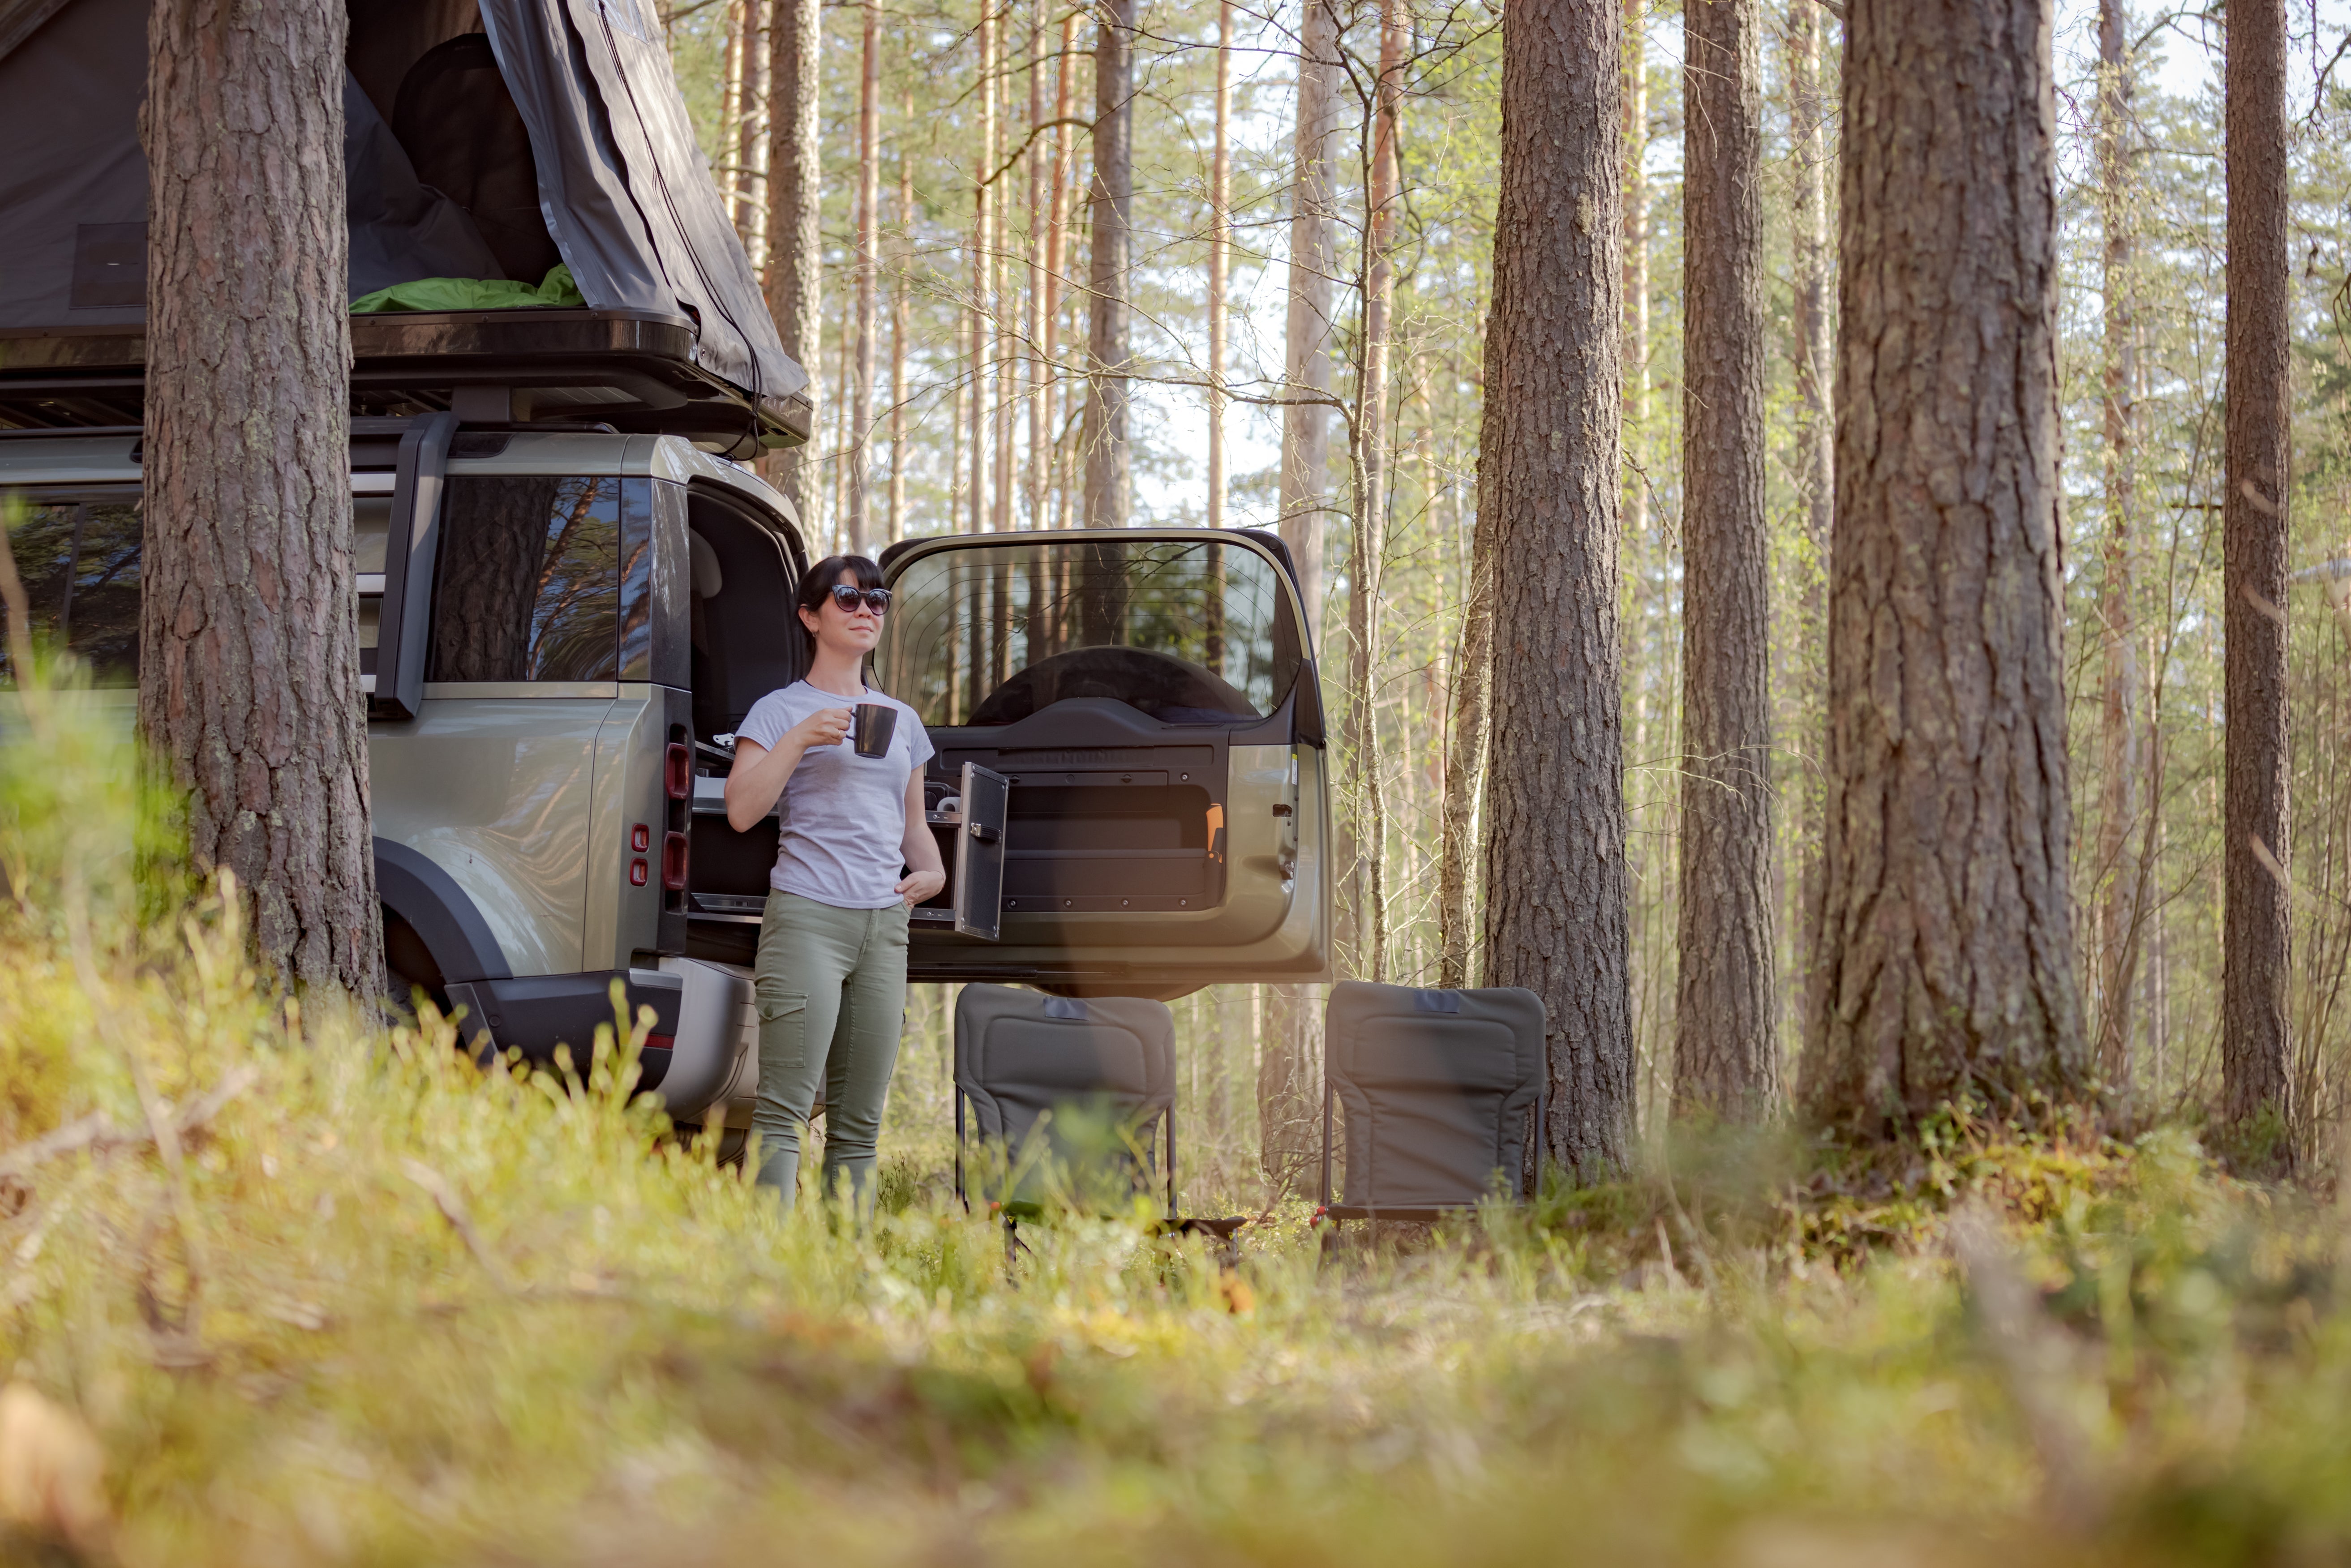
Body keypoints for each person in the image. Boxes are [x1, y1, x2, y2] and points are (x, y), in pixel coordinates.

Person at [725, 555, 946, 1213]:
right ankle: (773, 1276)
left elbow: (912, 826)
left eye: (877, 600)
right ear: (811, 615)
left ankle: (846, 1281)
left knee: (859, 1128)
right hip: (808, 919)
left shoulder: (901, 719)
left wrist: (932, 870)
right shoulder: (779, 710)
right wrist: (797, 739)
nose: (866, 611)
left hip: (884, 927)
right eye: (848, 598)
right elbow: (741, 812)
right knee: (783, 1111)